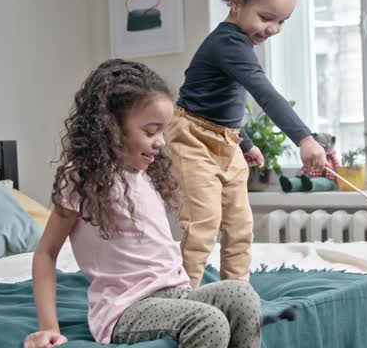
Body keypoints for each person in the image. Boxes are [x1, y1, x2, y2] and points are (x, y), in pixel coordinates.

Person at [23, 59, 261, 348]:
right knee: (208, 320)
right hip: (127, 309)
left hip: (176, 294)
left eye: (163, 131)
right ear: (111, 126)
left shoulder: (144, 174)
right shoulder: (82, 177)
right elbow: (46, 253)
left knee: (242, 295)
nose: (160, 142)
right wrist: (49, 327)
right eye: (150, 132)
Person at [170, 0, 328, 289]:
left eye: (283, 21)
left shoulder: (239, 45)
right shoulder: (227, 43)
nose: (274, 29)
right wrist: (304, 138)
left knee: (240, 225)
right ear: (236, 2)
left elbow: (220, 104)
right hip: (191, 138)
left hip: (225, 140)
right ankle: (182, 296)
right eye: (266, 18)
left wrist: (244, 142)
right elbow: (264, 94)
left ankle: (237, 292)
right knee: (203, 223)